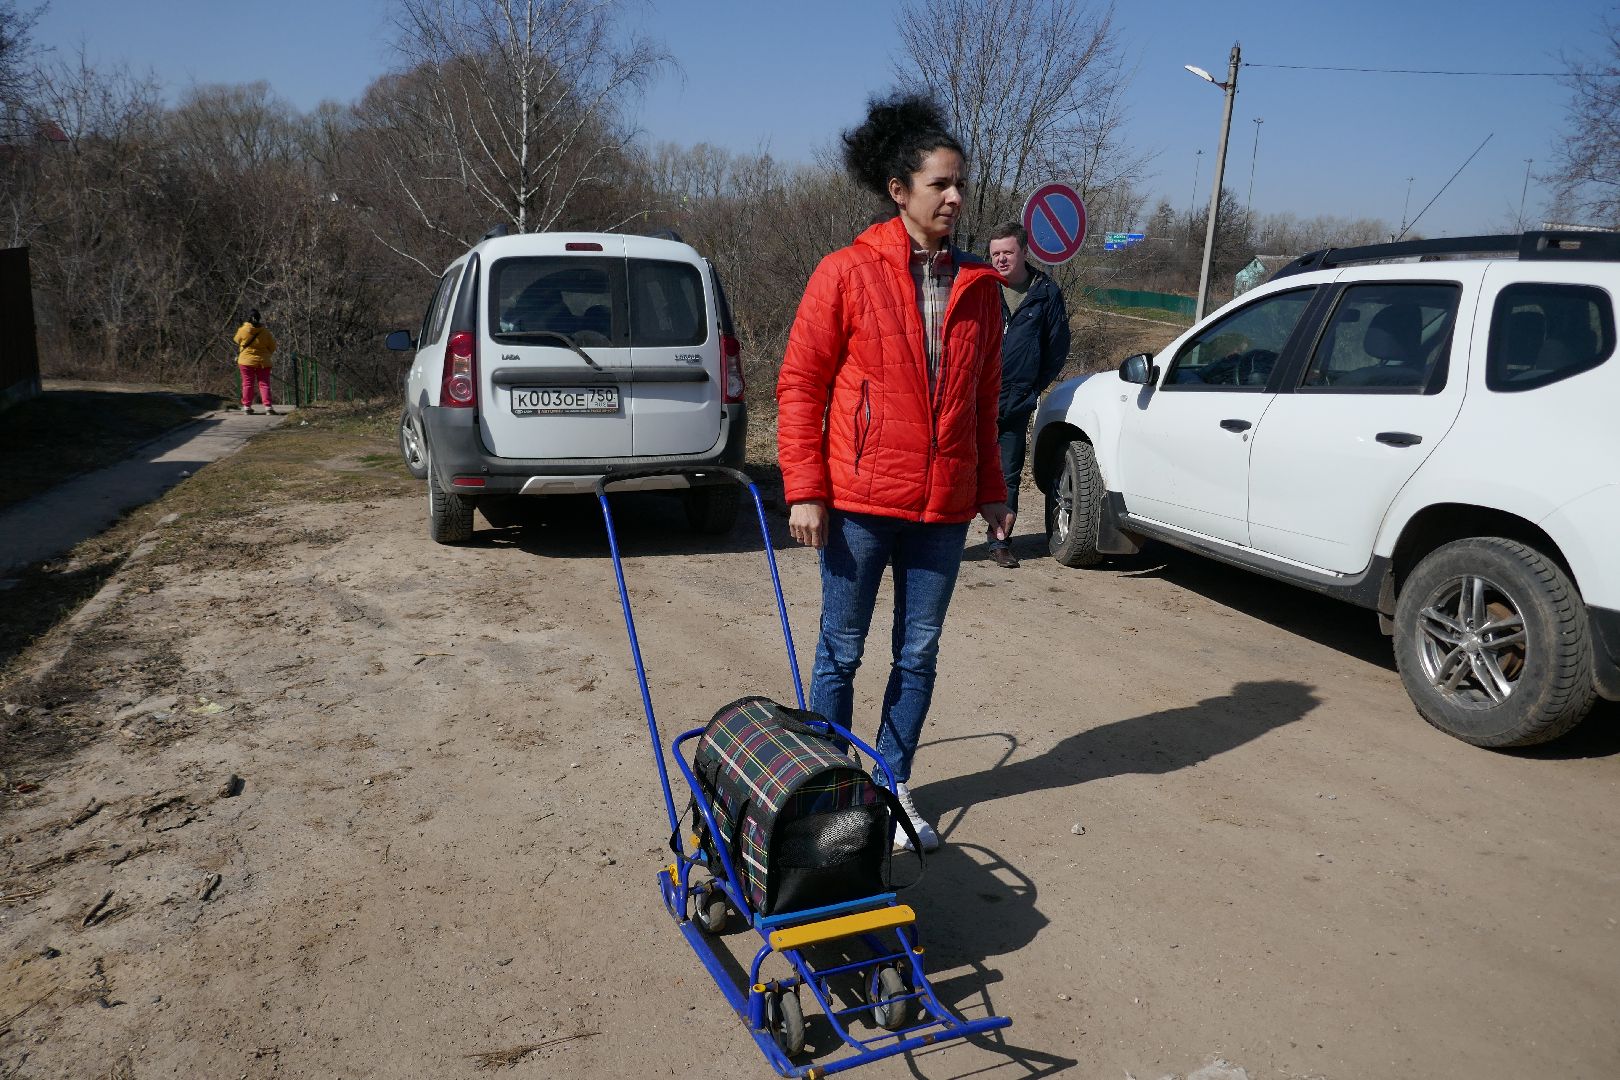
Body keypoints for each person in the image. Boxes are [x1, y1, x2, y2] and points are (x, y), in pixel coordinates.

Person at [776, 93, 1013, 853]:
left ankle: (891, 789)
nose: (955, 197)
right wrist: (806, 487)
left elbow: (983, 401)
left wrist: (992, 491)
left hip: (941, 511)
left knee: (917, 654)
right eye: (940, 183)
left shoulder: (979, 288)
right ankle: (826, 789)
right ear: (898, 190)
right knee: (840, 651)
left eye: (960, 184)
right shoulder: (845, 272)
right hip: (858, 503)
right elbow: (800, 384)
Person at [985, 222, 1071, 568]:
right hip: (975, 398)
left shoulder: (1045, 292)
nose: (1001, 259)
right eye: (995, 254)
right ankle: (939, 538)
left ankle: (999, 541)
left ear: (1023, 252)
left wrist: (1033, 385)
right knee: (958, 468)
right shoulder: (981, 284)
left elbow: (1057, 346)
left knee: (1007, 472)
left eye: (1007, 252)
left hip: (1017, 399)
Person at [234, 309, 278, 415]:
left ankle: (247, 407)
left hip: (245, 361)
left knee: (247, 383)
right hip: (263, 361)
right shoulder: (265, 332)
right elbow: (272, 347)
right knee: (264, 384)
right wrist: (265, 354)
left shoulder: (243, 330)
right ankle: (268, 407)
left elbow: (236, 340)